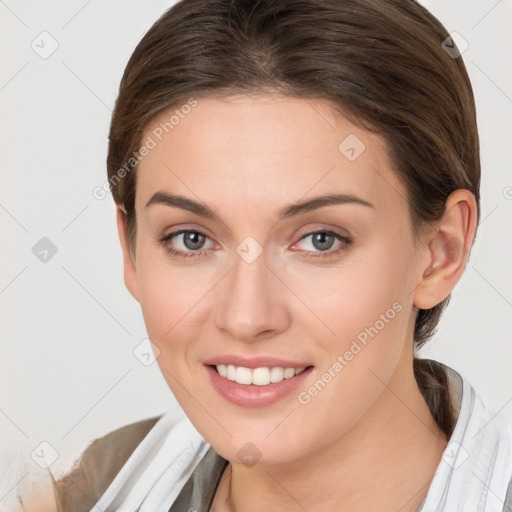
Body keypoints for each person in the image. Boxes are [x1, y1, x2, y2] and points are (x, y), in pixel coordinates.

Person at [23, 0, 512, 510]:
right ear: (131, 248)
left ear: (440, 251)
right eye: (191, 239)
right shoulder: (99, 485)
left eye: (320, 239)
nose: (246, 316)